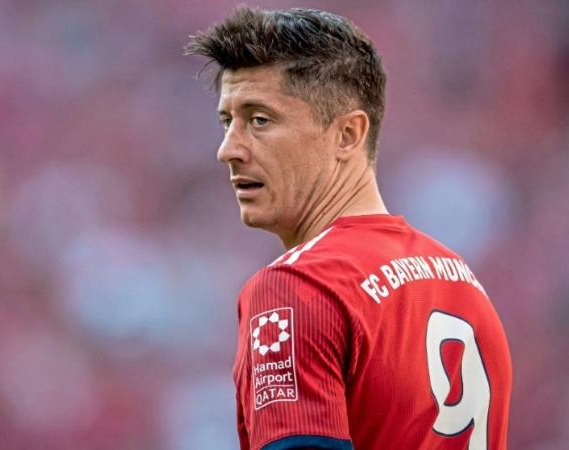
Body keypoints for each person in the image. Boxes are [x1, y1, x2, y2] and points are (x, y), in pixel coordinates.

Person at [185, 5, 512, 450]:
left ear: (348, 135)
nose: (228, 149)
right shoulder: (461, 282)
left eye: (259, 120)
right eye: (228, 122)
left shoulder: (298, 286)